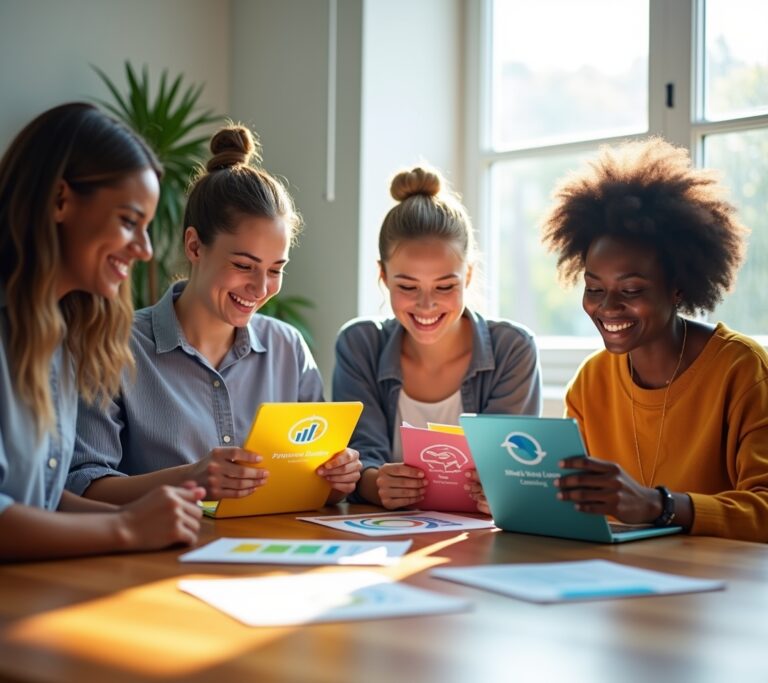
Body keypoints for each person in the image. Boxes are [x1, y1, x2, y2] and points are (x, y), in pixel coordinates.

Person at [67, 124, 360, 505]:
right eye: (243, 264)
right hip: (156, 557)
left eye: (275, 270)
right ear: (194, 246)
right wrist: (191, 479)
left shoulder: (287, 347)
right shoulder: (115, 345)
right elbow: (84, 486)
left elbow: (320, 482)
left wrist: (339, 475)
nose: (260, 288)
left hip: (271, 553)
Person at [534, 137, 768, 542]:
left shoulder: (743, 370)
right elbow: (577, 503)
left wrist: (659, 505)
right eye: (594, 288)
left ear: (677, 287)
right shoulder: (591, 381)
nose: (607, 307)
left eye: (631, 290)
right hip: (626, 584)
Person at [0, 102, 205, 561]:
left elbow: (40, 502)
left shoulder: (63, 336)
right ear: (59, 200)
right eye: (129, 222)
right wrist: (126, 528)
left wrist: (146, 518)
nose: (147, 250)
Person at [333, 166, 541, 509]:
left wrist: (505, 489)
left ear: (469, 275)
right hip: (388, 539)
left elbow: (513, 469)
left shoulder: (512, 349)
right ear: (383, 276)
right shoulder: (360, 345)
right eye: (407, 286)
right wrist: (376, 484)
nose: (426, 305)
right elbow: (359, 461)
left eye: (445, 286)